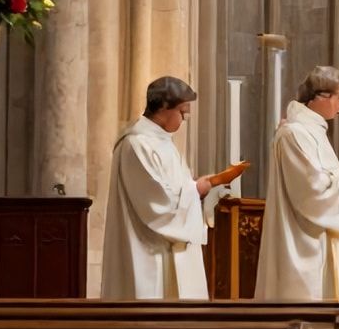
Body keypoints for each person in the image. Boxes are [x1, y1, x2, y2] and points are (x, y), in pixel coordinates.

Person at [102, 77, 242, 300]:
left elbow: (175, 189)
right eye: (183, 112)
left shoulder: (162, 142)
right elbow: (157, 202)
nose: (184, 119)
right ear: (164, 107)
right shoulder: (137, 144)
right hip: (149, 252)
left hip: (167, 249)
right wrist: (199, 187)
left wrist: (197, 187)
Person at [254, 67, 339, 301]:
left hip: (324, 235)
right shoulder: (293, 133)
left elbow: (324, 178)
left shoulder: (314, 131)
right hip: (304, 239)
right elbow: (311, 189)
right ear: (320, 96)